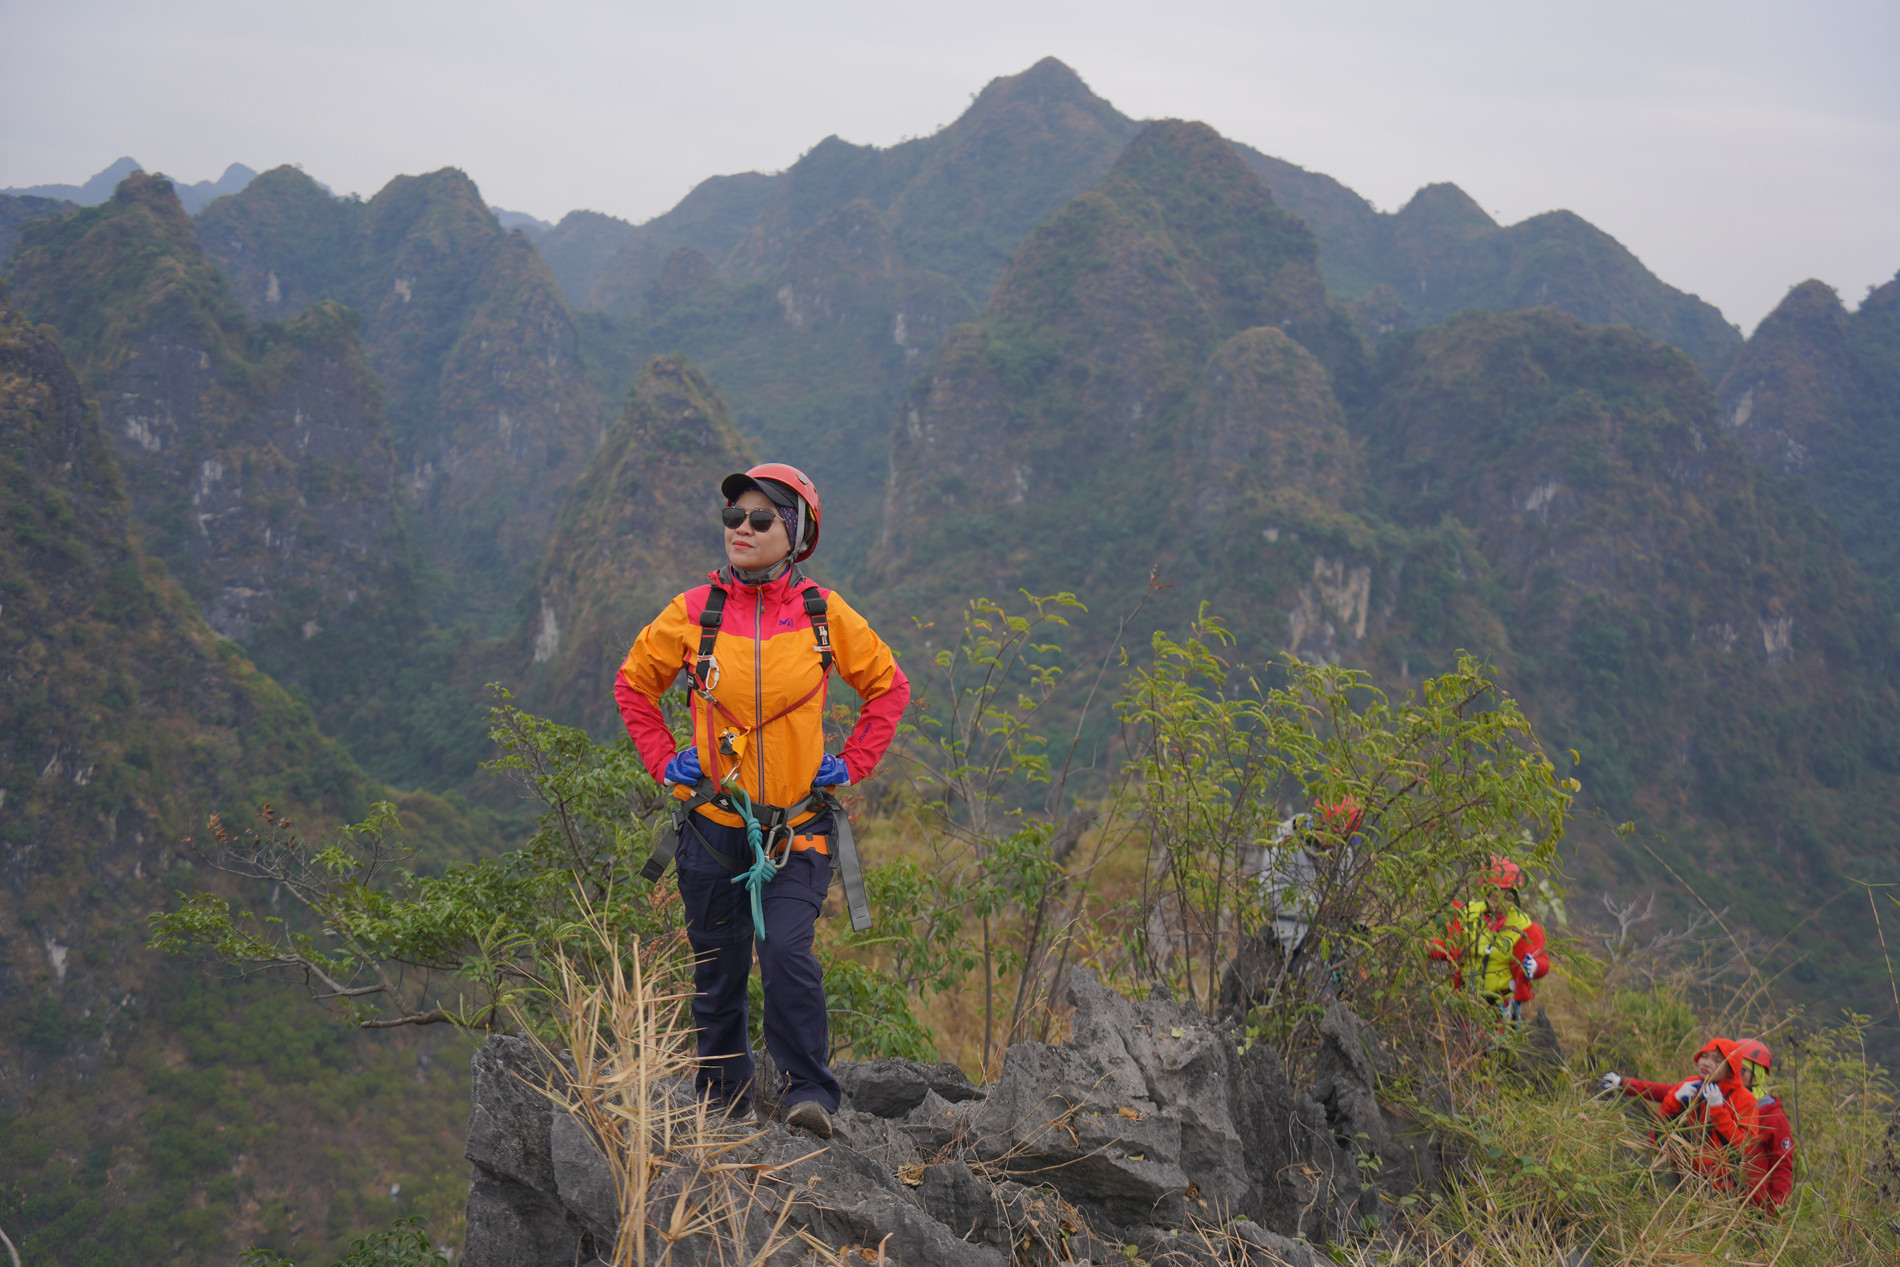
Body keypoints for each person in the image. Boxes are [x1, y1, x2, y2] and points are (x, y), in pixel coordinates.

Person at [615, 463, 910, 1138]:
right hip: (715, 826)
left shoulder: (822, 614)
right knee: (717, 965)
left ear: (795, 533)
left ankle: (810, 1090)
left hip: (794, 828)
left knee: (784, 953)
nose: (740, 530)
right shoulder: (694, 611)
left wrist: (851, 763)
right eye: (732, 518)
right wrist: (666, 760)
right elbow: (634, 685)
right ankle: (723, 1096)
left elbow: (888, 687)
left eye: (759, 519)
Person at [1598, 1038, 1760, 1191]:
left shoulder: (1745, 1100)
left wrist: (1718, 1110)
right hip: (1677, 1170)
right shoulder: (1693, 1083)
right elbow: (1659, 1111)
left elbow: (1745, 1147)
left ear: (1730, 1069)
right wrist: (1674, 1099)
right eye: (1704, 1056)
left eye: (1717, 1060)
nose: (1706, 1063)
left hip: (1715, 1187)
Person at [1428, 857, 1552, 1022]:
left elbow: (1542, 959)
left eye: (1508, 899)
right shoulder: (1468, 916)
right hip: (1467, 999)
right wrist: (1427, 947)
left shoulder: (1525, 928)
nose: (1500, 905)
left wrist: (1535, 967)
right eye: (1495, 898)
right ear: (1486, 894)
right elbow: (1449, 945)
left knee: (1497, 1046)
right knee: (1466, 1042)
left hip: (1502, 1004)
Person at [1732, 1037, 1795, 1215]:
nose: (1735, 1076)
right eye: (1731, 1069)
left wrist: (1775, 1209)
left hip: (1753, 1210)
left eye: (1741, 1071)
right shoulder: (1721, 1099)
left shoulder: (1772, 1115)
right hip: (1720, 1199)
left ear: (1756, 1075)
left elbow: (1782, 1165)